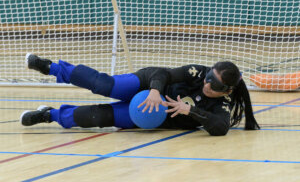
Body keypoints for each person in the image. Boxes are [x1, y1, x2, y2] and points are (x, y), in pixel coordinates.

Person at [20, 53, 260, 136]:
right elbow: (163, 73)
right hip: (147, 85)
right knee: (103, 84)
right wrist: (155, 90)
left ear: (227, 91)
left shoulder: (224, 103)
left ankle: (49, 115)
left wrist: (192, 112)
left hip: (152, 114)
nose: (207, 85)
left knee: (98, 117)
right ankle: (49, 67)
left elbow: (221, 127)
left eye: (215, 86)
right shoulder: (197, 72)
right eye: (209, 78)